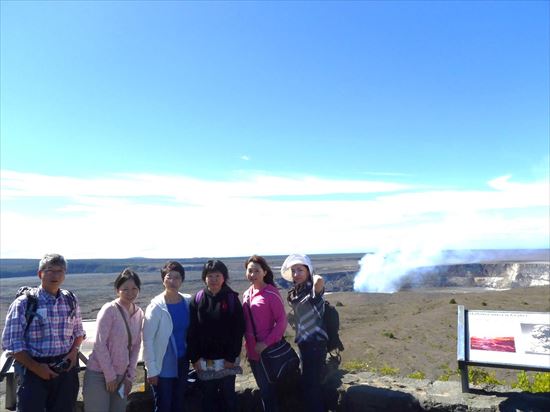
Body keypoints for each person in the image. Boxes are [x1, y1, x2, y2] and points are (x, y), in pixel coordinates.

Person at [1, 253, 85, 412]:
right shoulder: (24, 303)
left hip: (65, 370)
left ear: (64, 275)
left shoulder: (70, 300)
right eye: (50, 270)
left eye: (60, 271)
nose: (55, 275)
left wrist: (72, 355)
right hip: (33, 372)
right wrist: (37, 368)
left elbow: (78, 332)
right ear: (40, 274)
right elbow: (12, 344)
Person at [187, 259, 245, 412]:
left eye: (217, 276)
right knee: (208, 398)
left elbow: (238, 330)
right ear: (204, 277)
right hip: (205, 361)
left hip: (227, 360)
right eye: (210, 276)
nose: (213, 280)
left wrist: (231, 357)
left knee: (228, 398)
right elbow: (192, 331)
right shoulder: (197, 299)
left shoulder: (232, 298)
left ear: (224, 277)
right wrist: (195, 358)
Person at [83, 268, 144, 412]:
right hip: (99, 374)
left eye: (134, 288)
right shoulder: (109, 310)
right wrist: (110, 376)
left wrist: (130, 377)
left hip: (122, 377)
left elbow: (136, 346)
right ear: (117, 290)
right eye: (125, 289)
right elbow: (100, 344)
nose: (130, 293)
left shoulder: (139, 313)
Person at [142, 261, 191, 412]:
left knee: (178, 403)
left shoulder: (187, 302)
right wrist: (151, 370)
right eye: (169, 277)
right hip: (162, 365)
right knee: (164, 405)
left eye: (177, 278)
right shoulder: (156, 307)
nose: (172, 281)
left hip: (182, 361)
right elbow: (148, 340)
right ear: (163, 279)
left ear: (182, 280)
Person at [281, 254, 328, 412]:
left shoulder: (312, 289)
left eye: (300, 270)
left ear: (308, 271)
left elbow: (320, 281)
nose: (296, 274)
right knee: (308, 384)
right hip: (304, 343)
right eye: (293, 271)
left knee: (312, 387)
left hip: (315, 344)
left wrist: (315, 276)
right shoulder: (297, 291)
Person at [242, 255, 287, 412]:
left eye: (256, 271)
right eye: (250, 271)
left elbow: (282, 321)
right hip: (253, 352)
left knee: (269, 392)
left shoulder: (271, 293)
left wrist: (266, 343)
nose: (253, 274)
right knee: (264, 390)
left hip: (267, 351)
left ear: (264, 272)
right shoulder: (247, 293)